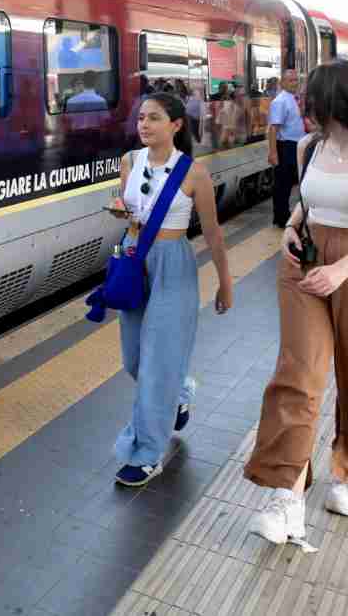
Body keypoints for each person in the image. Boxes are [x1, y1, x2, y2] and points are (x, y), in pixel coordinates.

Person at [246, 61, 348, 543]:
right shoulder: (309, 146)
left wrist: (340, 270)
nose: (304, 106)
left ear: (337, 99)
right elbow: (308, 201)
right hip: (305, 264)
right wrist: (292, 229)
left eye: (310, 97)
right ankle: (286, 496)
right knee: (298, 374)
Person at [108, 92, 234, 486]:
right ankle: (179, 391)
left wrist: (225, 283)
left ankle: (146, 452)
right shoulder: (129, 161)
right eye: (141, 118)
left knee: (157, 365)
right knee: (134, 360)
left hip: (173, 266)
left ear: (176, 125)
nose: (144, 125)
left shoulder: (194, 173)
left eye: (154, 118)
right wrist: (122, 214)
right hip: (133, 260)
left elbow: (212, 233)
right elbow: (130, 214)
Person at [267, 69, 305, 227]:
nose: (294, 83)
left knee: (295, 182)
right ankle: (281, 217)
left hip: (297, 146)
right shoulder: (280, 101)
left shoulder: (295, 99)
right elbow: (273, 129)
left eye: (296, 80)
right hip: (286, 146)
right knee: (283, 184)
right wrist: (273, 152)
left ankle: (291, 215)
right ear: (282, 82)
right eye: (290, 80)